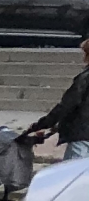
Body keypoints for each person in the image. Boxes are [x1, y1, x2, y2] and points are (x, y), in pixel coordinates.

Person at [20, 32, 89, 161]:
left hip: (82, 136)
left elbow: (67, 105)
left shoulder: (84, 78)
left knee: (71, 176)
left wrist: (41, 124)